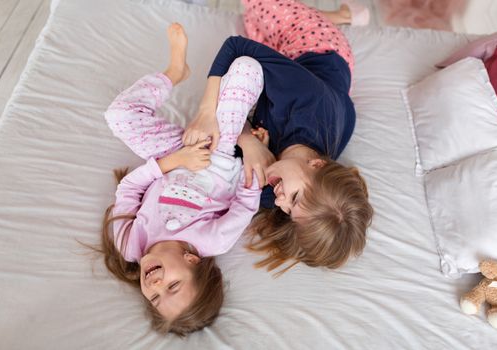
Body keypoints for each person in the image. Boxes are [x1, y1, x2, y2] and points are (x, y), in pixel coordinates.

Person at [183, 0, 374, 273]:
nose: (280, 201)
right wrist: (206, 112)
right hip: (319, 48)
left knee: (257, 31)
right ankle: (339, 15)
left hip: (336, 101)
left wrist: (246, 140)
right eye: (293, 197)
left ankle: (333, 17)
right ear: (317, 164)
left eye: (290, 213)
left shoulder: (281, 189)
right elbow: (235, 46)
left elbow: (224, 160)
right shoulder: (305, 101)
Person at [100, 24, 264, 335]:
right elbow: (245, 206)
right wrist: (252, 152)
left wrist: (174, 161)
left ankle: (174, 72)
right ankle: (240, 120)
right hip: (219, 155)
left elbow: (130, 187)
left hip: (171, 155)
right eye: (173, 286)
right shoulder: (212, 240)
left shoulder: (131, 245)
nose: (155, 285)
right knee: (247, 68)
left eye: (155, 298)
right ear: (191, 260)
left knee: (119, 116)